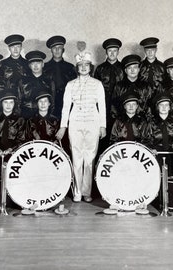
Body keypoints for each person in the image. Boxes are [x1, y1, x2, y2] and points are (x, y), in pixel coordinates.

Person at [56, 52, 106, 203]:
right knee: (77, 158)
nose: (83, 68)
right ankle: (77, 191)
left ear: (90, 67)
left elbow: (102, 106)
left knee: (90, 158)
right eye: (80, 65)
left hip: (93, 122)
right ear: (77, 68)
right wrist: (63, 126)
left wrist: (102, 126)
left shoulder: (97, 84)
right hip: (75, 122)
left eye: (86, 65)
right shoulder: (70, 85)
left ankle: (87, 191)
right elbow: (65, 108)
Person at [94, 38, 124, 151]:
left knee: (119, 135)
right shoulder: (100, 69)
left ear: (118, 52)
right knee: (103, 137)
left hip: (119, 106)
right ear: (106, 52)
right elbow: (95, 90)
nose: (112, 53)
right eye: (109, 51)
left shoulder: (123, 68)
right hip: (103, 107)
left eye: (114, 51)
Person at [111, 54, 154, 120]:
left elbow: (150, 106)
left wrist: (147, 122)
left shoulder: (146, 86)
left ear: (139, 69)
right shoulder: (119, 86)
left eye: (135, 67)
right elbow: (114, 107)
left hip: (142, 123)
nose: (132, 70)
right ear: (125, 71)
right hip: (124, 124)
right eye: (129, 68)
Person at [44, 35, 77, 119]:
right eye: (54, 48)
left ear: (63, 50)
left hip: (67, 103)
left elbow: (75, 88)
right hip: (50, 104)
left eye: (60, 47)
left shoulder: (70, 67)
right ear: (51, 50)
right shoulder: (45, 68)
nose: (57, 50)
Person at [19, 50, 54, 119]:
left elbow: (52, 103)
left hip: (44, 117)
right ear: (29, 66)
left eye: (38, 63)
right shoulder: (22, 81)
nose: (35, 66)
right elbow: (18, 102)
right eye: (32, 63)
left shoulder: (49, 82)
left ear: (43, 64)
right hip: (26, 117)